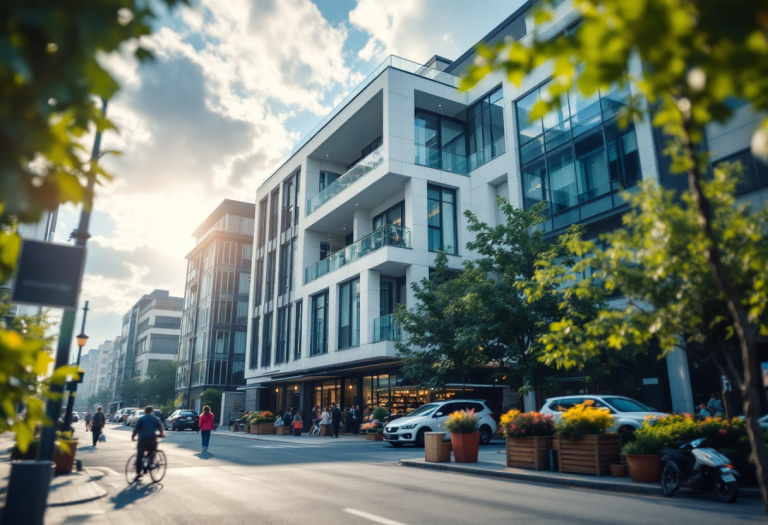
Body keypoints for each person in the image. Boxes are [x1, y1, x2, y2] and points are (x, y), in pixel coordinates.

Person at [131, 406, 165, 479]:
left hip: (142, 440)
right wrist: (161, 434)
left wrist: (133, 437)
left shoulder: (141, 419)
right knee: (152, 452)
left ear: (145, 411)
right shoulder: (155, 419)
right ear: (152, 411)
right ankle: (151, 464)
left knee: (140, 455)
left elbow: (136, 429)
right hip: (152, 439)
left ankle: (138, 472)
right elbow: (160, 428)